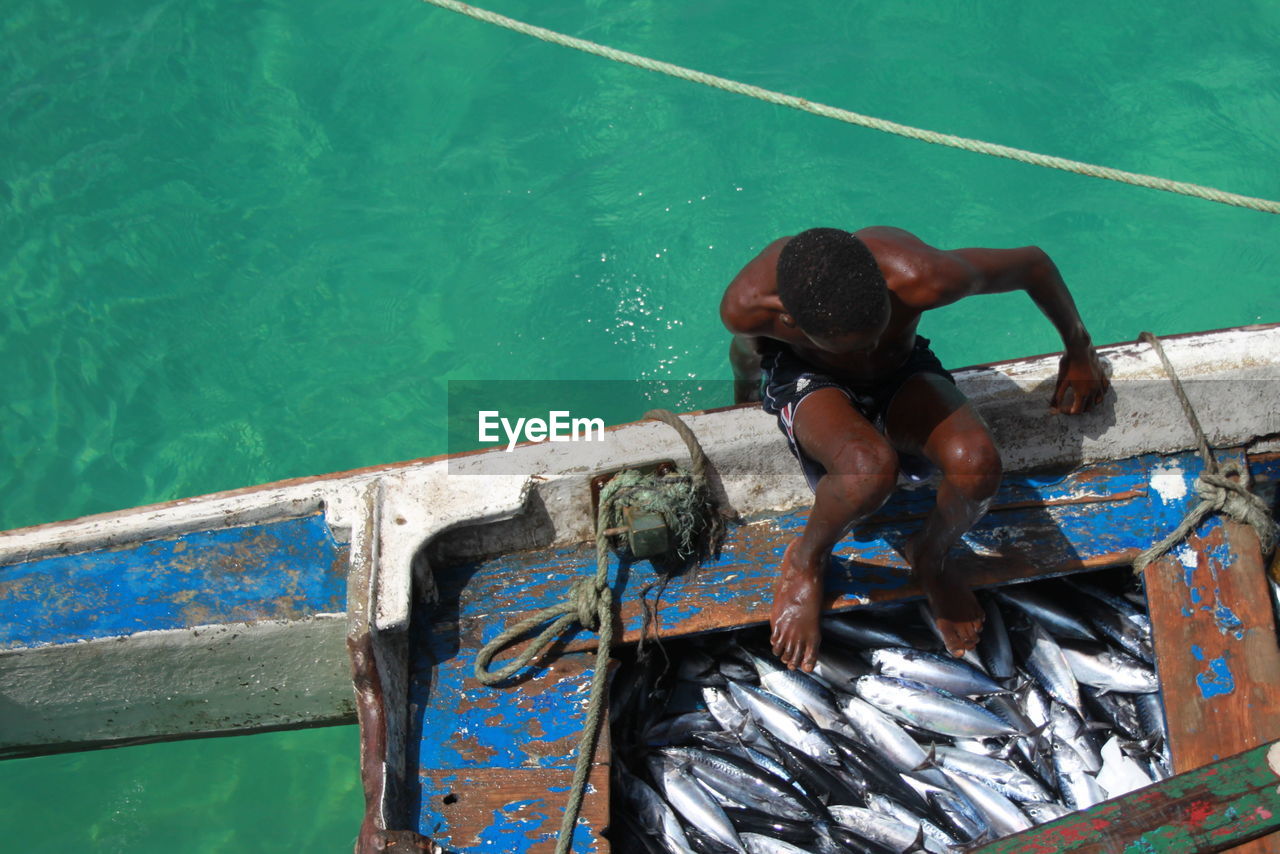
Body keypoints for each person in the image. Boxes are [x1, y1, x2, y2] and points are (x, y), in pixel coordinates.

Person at [720, 227, 1108, 670]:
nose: (866, 351)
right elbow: (747, 356)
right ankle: (805, 561)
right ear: (788, 321)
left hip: (903, 366)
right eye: (852, 346)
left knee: (978, 466)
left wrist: (1080, 348)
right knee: (867, 471)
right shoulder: (749, 306)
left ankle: (931, 554)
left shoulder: (923, 276)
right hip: (812, 380)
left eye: (875, 333)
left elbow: (1034, 263)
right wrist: (744, 397)